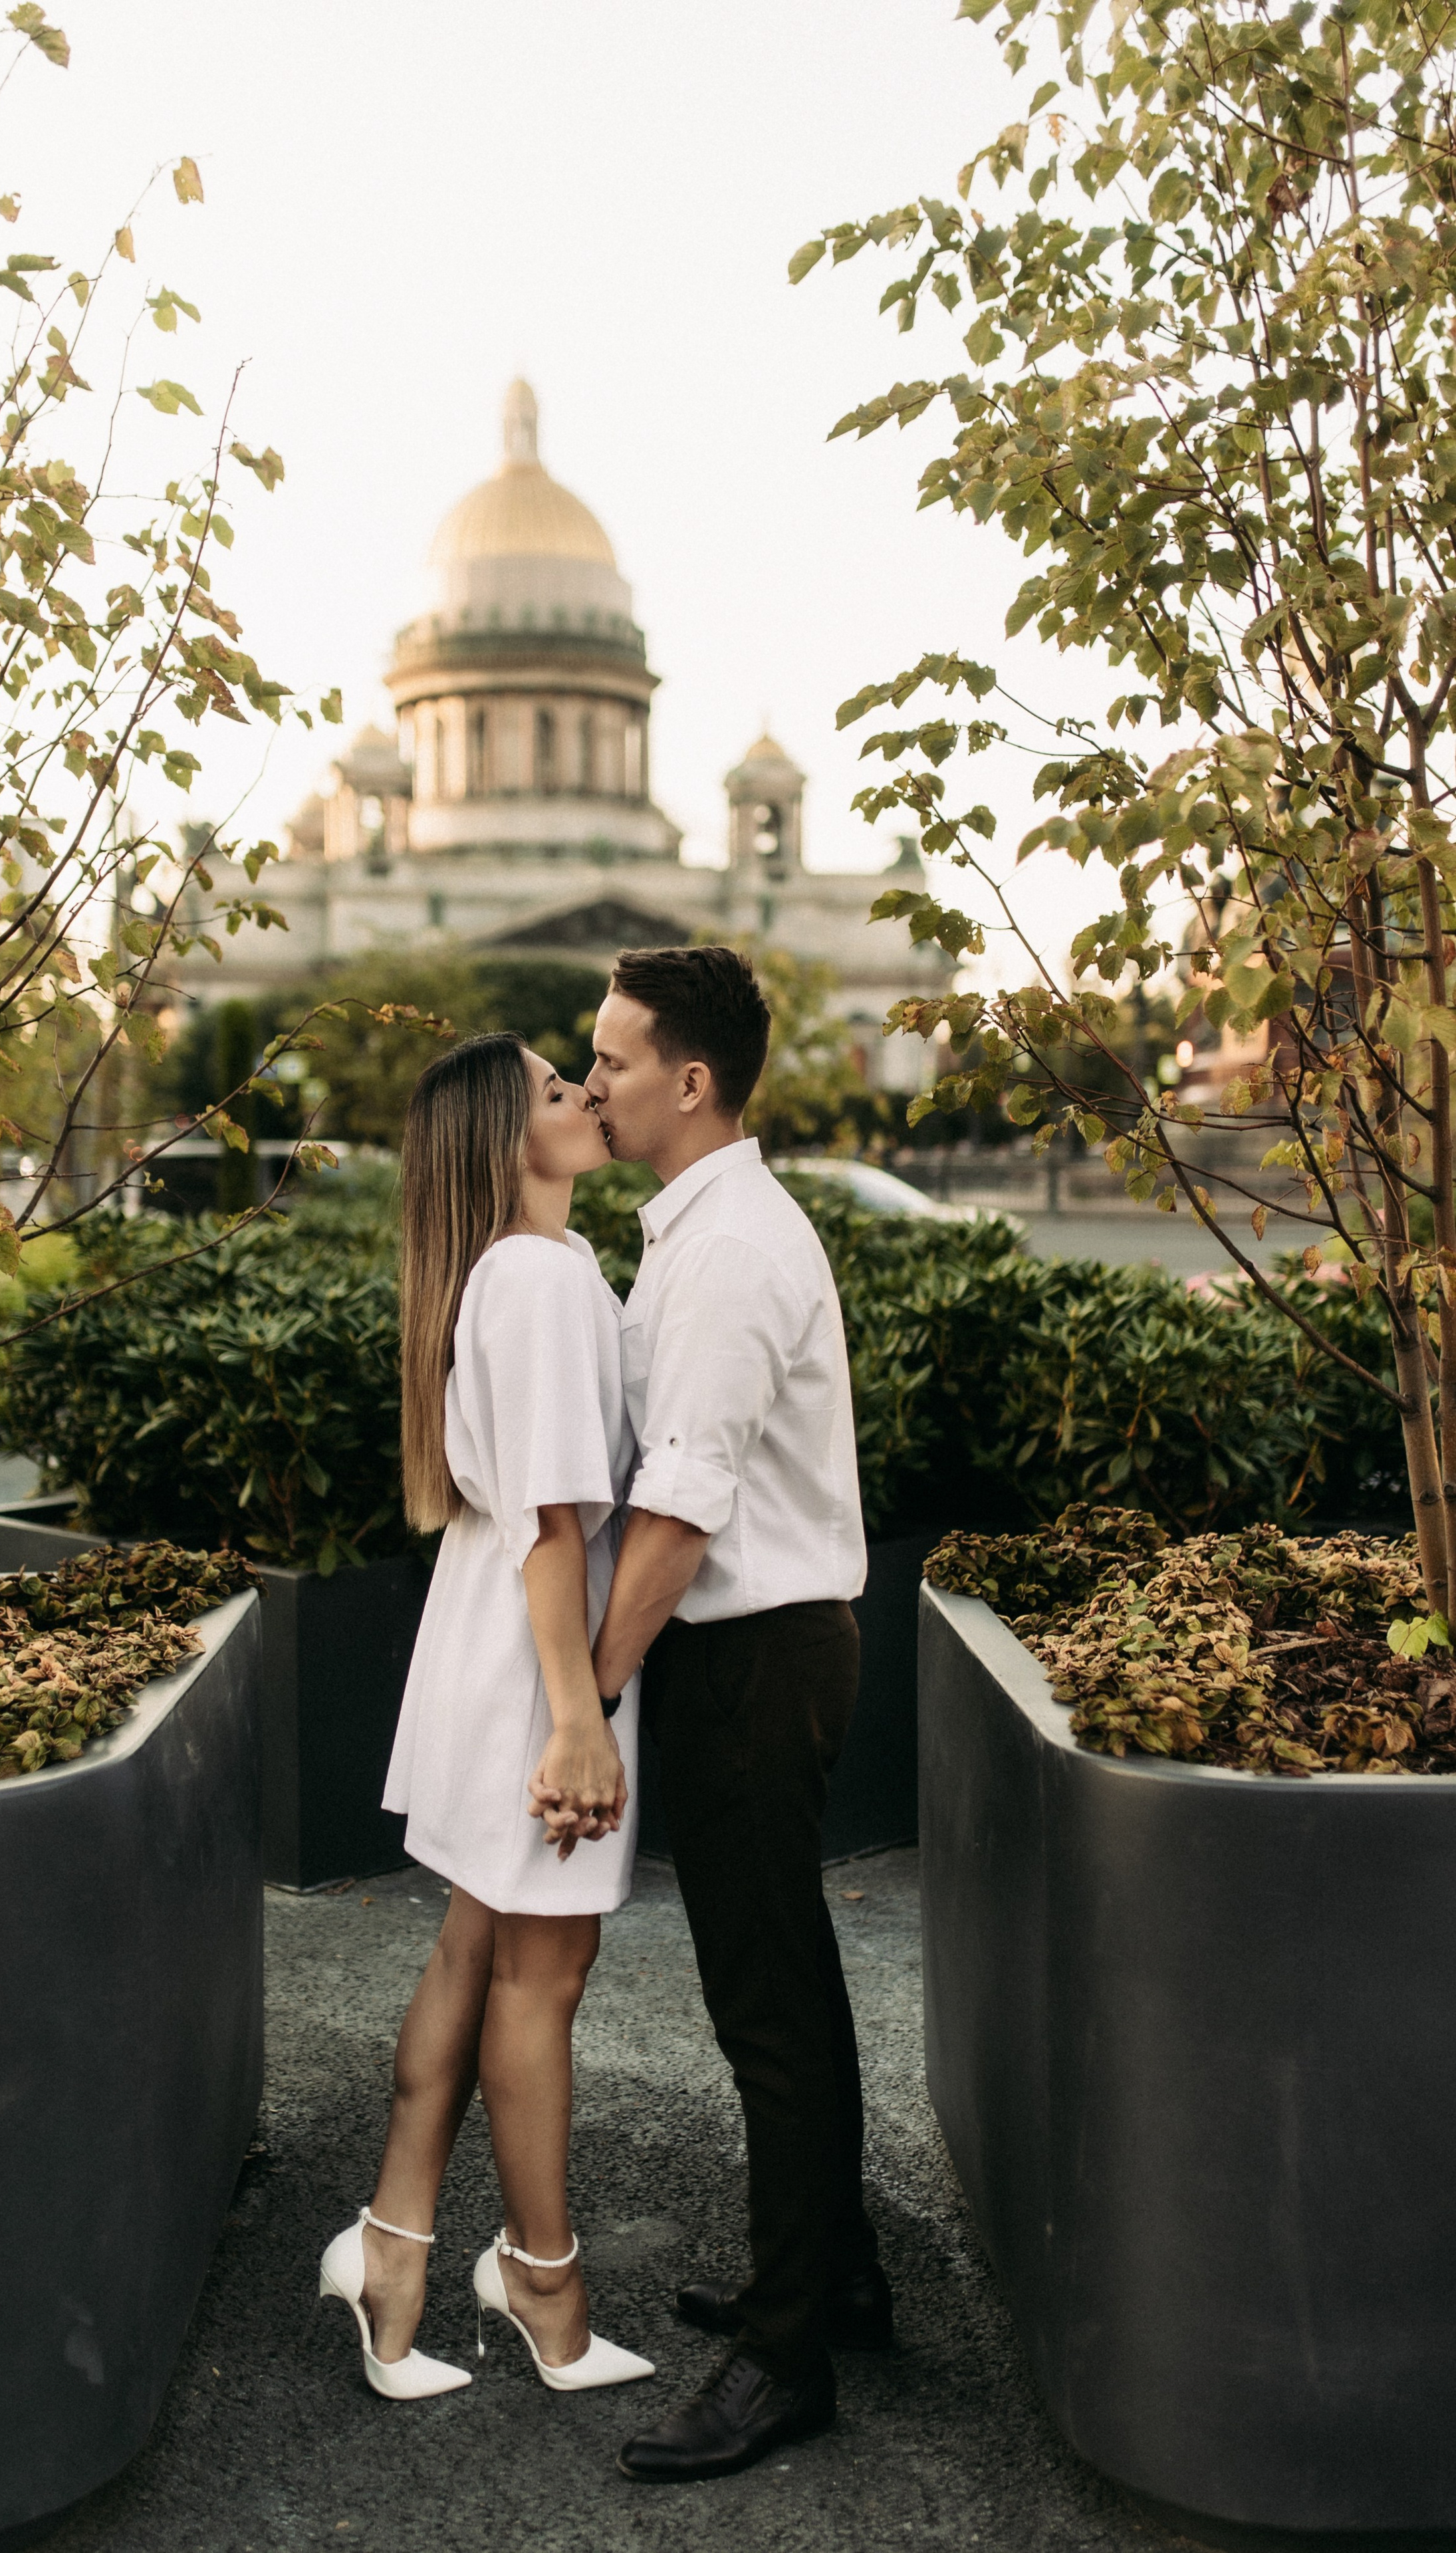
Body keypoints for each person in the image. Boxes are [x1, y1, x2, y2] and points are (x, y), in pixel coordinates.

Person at [576, 943, 892, 2484]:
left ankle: (783, 2362)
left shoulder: (725, 1251)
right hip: (768, 1645)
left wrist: (587, 1691)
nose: (589, 1085)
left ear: (689, 1080)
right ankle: (829, 2280)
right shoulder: (709, 1231)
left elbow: (679, 1509)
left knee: (764, 2006)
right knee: (786, 1981)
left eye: (612, 1060)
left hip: (752, 1651)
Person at [316, 1031, 654, 2403]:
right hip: (535, 1663)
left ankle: (392, 2250)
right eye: (551, 1090)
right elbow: (553, 1520)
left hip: (494, 1649)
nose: (581, 1092)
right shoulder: (529, 1279)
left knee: (474, 1951)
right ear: (499, 1141)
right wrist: (579, 1718)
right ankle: (539, 2281)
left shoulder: (545, 1269)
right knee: (541, 1974)